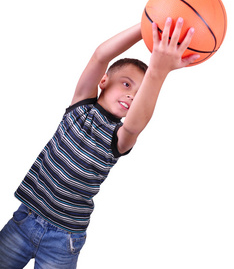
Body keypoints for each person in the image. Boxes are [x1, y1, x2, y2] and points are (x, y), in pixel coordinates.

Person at [0, 17, 200, 269]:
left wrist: (158, 71)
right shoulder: (80, 105)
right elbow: (99, 56)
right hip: (24, 220)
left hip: (63, 239)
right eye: (127, 84)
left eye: (138, 94)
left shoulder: (120, 138)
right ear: (104, 82)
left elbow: (136, 122)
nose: (131, 94)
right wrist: (146, 25)